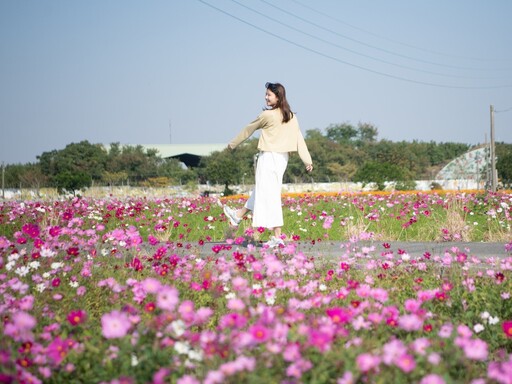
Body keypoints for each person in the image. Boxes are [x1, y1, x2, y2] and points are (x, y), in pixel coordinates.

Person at [223, 82, 313, 248]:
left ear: (278, 97)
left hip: (269, 158)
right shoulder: (291, 116)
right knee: (264, 191)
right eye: (266, 94)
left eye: (269, 95)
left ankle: (277, 236)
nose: (266, 97)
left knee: (270, 195)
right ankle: (238, 215)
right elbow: (299, 139)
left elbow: (248, 129)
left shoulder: (268, 115)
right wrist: (307, 160)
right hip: (282, 160)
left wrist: (232, 144)